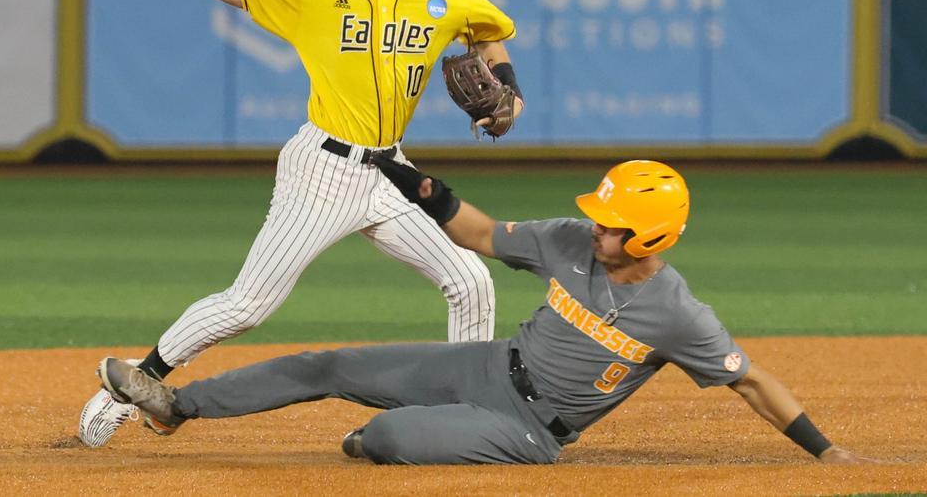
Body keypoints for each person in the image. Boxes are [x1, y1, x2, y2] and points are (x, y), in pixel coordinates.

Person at [78, 0, 525, 447]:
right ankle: (135, 385)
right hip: (323, 169)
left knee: (471, 280)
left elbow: (491, 36)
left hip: (391, 171)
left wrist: (509, 94)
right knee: (248, 306)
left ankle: (473, 412)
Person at [93, 159, 872, 465]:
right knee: (326, 364)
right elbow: (478, 233)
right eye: (600, 215)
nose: (596, 226)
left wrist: (825, 451)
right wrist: (418, 184)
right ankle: (176, 406)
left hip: (531, 431)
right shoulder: (570, 240)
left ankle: (394, 433)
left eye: (612, 222)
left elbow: (751, 380)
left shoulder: (677, 314)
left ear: (652, 233)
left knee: (382, 437)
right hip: (488, 365)